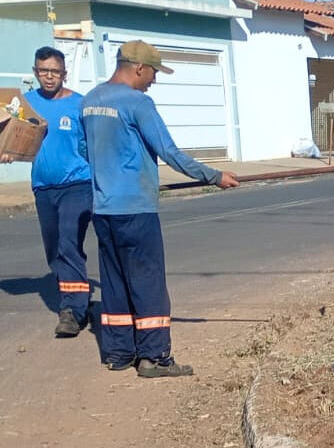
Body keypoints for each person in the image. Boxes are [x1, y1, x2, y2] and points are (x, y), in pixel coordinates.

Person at [81, 40, 240, 378]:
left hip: (104, 210)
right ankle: (153, 357)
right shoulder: (139, 103)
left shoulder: (91, 100)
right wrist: (214, 176)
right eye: (153, 72)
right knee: (147, 281)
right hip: (136, 209)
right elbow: (169, 152)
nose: (154, 80)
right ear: (138, 67)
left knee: (115, 281)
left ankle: (118, 352)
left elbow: (85, 150)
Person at [8, 46, 93, 337]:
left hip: (78, 185)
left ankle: (73, 311)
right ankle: (76, 295)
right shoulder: (24, 105)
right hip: (44, 187)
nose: (48, 77)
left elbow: (93, 145)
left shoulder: (80, 105)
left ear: (64, 74)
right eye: (43, 71)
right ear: (35, 73)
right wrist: (6, 152)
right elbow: (10, 140)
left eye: (54, 72)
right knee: (55, 249)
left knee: (69, 244)